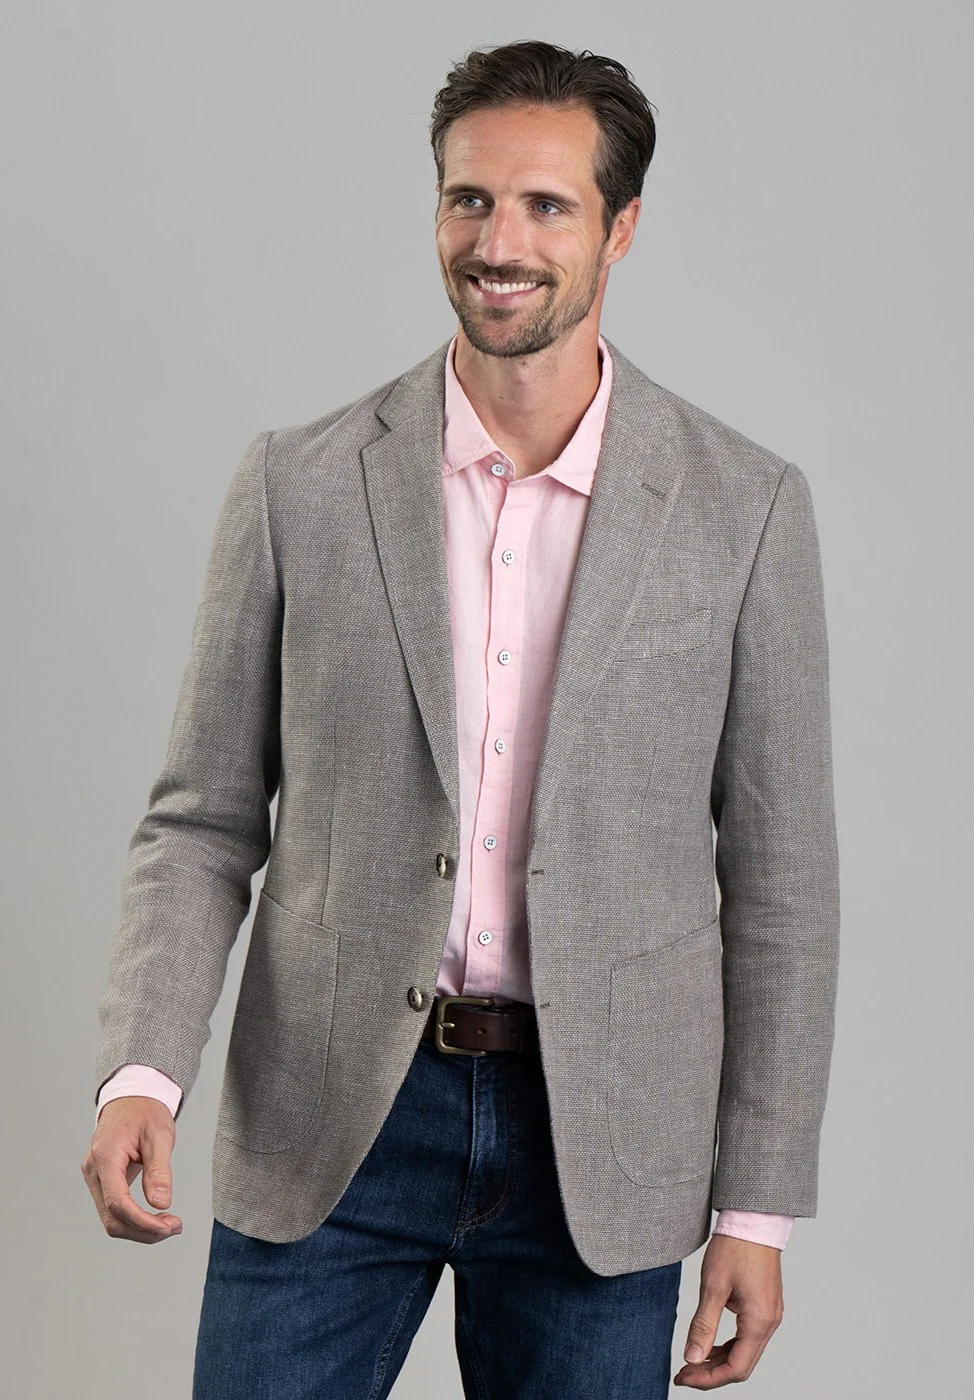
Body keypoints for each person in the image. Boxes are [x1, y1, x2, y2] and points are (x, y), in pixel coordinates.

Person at [81, 39, 839, 1397]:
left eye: (547, 205)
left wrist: (758, 1208)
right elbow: (200, 821)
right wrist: (143, 1069)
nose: (499, 243)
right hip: (328, 1117)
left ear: (621, 228)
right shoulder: (300, 485)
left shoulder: (746, 509)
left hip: (600, 1139)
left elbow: (782, 891)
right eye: (469, 199)